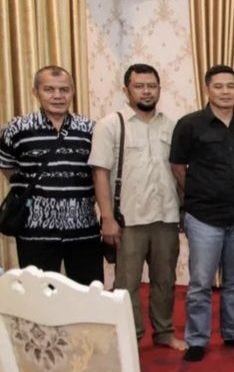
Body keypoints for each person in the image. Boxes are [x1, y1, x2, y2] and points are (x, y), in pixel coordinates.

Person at [89, 63, 185, 351]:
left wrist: (184, 209)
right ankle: (131, 336)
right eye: (139, 86)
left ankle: (165, 332)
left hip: (166, 217)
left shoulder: (172, 125)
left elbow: (179, 170)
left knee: (165, 280)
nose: (146, 91)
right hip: (128, 219)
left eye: (151, 86)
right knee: (126, 285)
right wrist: (107, 217)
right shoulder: (111, 124)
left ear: (159, 89)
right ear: (126, 90)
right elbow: (100, 173)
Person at [170, 65, 234, 362]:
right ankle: (197, 339)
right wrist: (196, 193)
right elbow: (178, 166)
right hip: (204, 215)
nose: (225, 92)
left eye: (230, 86)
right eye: (219, 86)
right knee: (200, 282)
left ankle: (233, 332)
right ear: (207, 89)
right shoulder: (190, 124)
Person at [0, 66, 101, 285]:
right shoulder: (17, 128)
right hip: (34, 231)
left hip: (83, 230)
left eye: (64, 90)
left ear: (73, 92)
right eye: (49, 89)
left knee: (89, 296)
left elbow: (98, 175)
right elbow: (7, 167)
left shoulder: (90, 129)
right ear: (36, 92)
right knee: (39, 300)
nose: (58, 96)